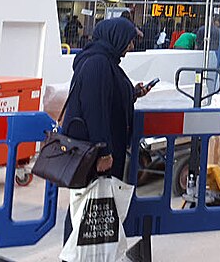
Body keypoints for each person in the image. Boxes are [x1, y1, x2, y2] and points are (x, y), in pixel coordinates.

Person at [61, 17, 155, 246]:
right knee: (87, 205)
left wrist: (133, 93)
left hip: (98, 151)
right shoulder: (98, 63)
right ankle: (76, 254)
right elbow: (95, 108)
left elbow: (109, 97)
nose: (131, 47)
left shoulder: (106, 62)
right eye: (129, 41)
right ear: (115, 37)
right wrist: (103, 151)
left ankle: (92, 254)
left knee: (93, 207)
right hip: (94, 154)